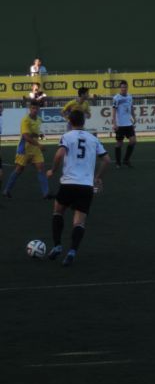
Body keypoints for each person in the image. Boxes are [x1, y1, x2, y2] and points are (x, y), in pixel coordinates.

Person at [45, 109, 110, 267]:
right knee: (79, 222)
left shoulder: (67, 136)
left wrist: (52, 170)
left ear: (70, 122)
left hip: (68, 183)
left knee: (58, 212)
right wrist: (97, 177)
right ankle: (72, 251)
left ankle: (57, 245)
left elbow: (59, 154)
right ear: (84, 121)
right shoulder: (93, 138)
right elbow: (107, 160)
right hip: (86, 186)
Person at [3, 101, 51, 199]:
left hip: (35, 150)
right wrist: (39, 144)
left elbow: (34, 133)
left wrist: (40, 136)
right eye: (33, 108)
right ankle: (6, 190)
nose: (34, 110)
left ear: (39, 109)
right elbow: (26, 136)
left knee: (41, 168)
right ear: (30, 108)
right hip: (24, 149)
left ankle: (46, 193)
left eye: (36, 108)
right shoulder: (25, 120)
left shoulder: (39, 119)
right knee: (19, 169)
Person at [110, 81, 137, 167]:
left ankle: (126, 160)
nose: (124, 89)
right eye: (122, 87)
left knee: (133, 141)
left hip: (128, 124)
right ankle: (118, 162)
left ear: (127, 88)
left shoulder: (130, 96)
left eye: (125, 87)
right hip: (120, 124)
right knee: (119, 143)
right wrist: (114, 123)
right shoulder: (116, 98)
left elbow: (131, 107)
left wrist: (134, 117)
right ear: (120, 88)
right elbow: (114, 111)